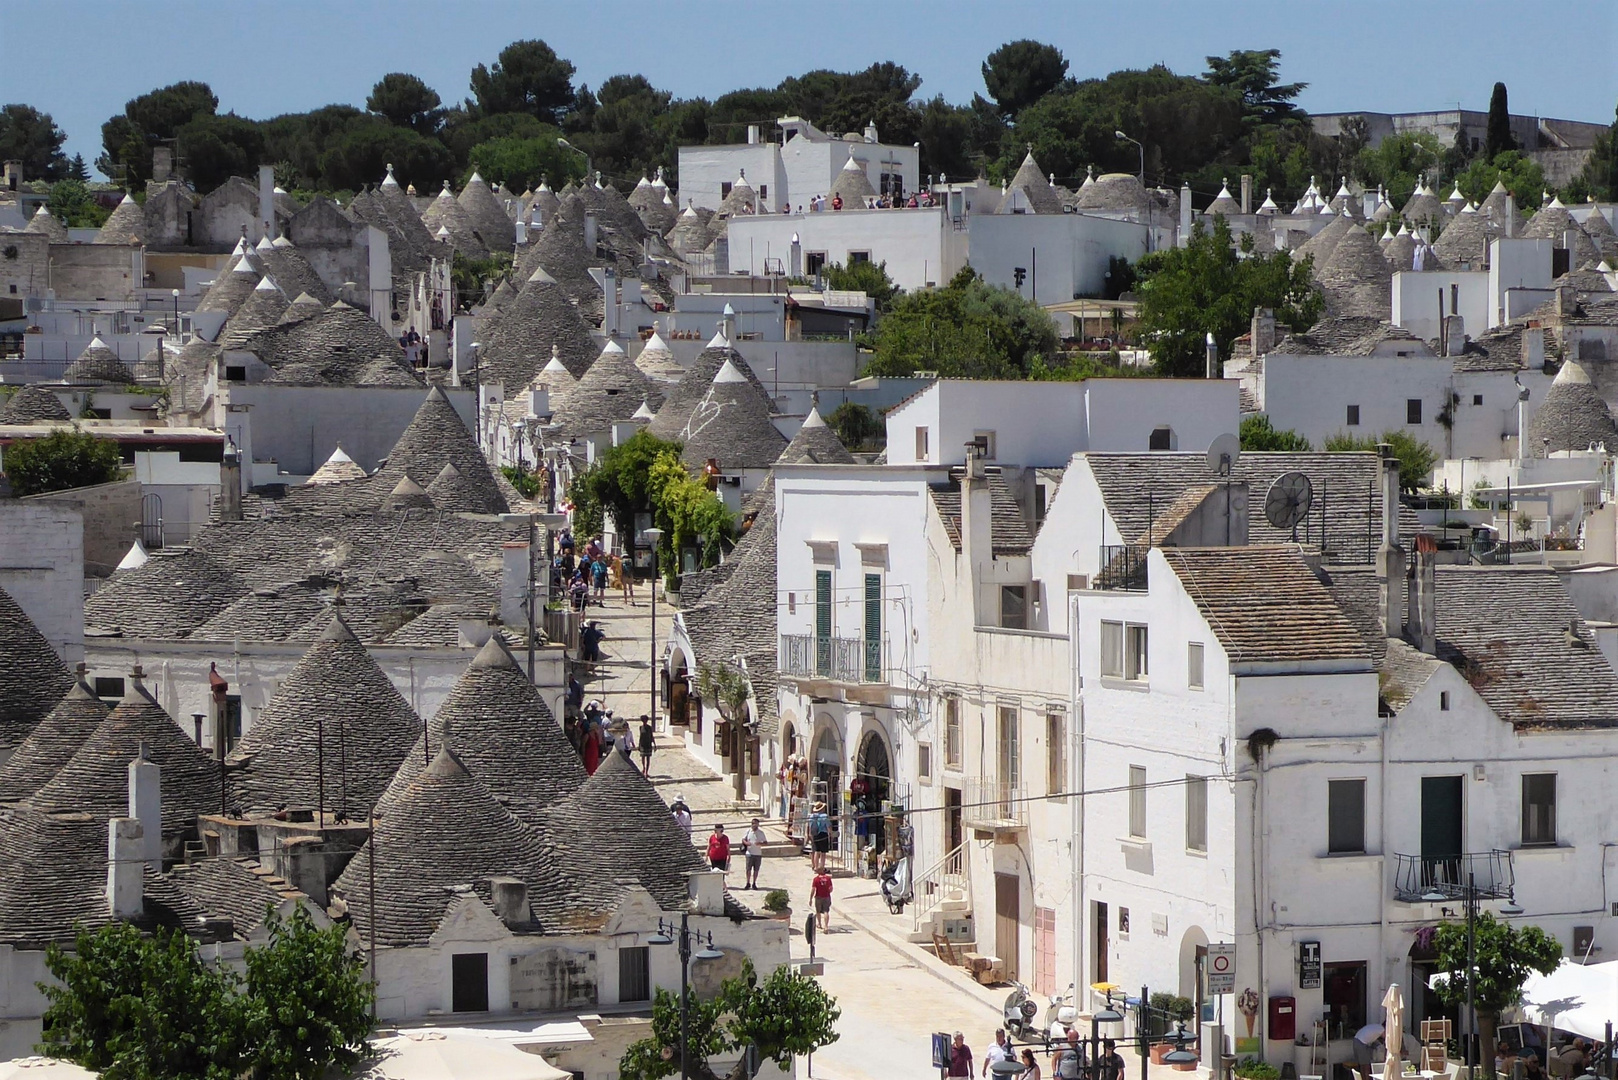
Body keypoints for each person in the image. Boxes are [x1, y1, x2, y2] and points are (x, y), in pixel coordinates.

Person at [741, 817, 767, 889]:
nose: (753, 825)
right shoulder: (748, 831)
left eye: (755, 824)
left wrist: (760, 843)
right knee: (748, 869)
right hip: (749, 853)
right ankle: (748, 882)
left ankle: (754, 883)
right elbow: (743, 839)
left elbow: (765, 842)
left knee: (756, 870)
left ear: (758, 824)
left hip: (758, 853)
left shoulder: (761, 833)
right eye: (752, 823)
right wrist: (746, 843)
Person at [808, 800, 831, 871]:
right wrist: (830, 834)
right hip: (823, 834)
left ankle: (816, 867)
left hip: (815, 834)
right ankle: (822, 867)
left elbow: (809, 826)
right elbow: (828, 827)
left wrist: (810, 835)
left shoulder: (811, 816)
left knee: (816, 851)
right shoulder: (824, 816)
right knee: (823, 853)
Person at [810, 866, 833, 931]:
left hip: (818, 897)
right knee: (826, 911)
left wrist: (811, 898)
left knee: (818, 911)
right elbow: (831, 889)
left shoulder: (816, 879)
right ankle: (826, 926)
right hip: (826, 896)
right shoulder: (828, 878)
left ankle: (819, 924)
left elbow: (813, 889)